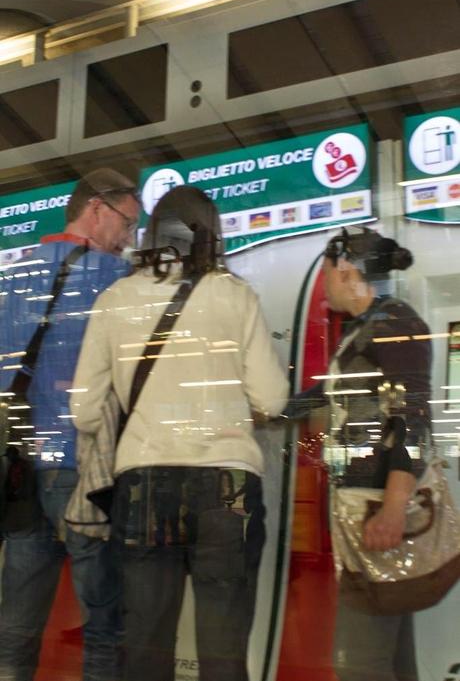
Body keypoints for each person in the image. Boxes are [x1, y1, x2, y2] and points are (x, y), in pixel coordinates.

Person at [69, 185, 289, 681]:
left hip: (144, 484)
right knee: (224, 648)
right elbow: (274, 399)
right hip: (227, 488)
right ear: (211, 233)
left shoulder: (116, 299)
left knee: (144, 648)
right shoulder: (234, 295)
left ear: (152, 233)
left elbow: (84, 412)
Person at [0, 168, 140, 681]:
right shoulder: (114, 278)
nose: (128, 238)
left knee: (16, 620)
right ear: (97, 208)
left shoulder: (12, 277)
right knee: (105, 624)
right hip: (85, 468)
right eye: (127, 222)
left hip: (20, 469)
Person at [288, 227, 431, 681]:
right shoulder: (366, 330)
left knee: (360, 664)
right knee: (391, 657)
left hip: (376, 511)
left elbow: (414, 423)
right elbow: (329, 394)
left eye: (327, 272)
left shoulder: (395, 327)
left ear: (346, 271)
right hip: (361, 509)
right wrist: (271, 410)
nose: (323, 283)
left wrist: (392, 508)